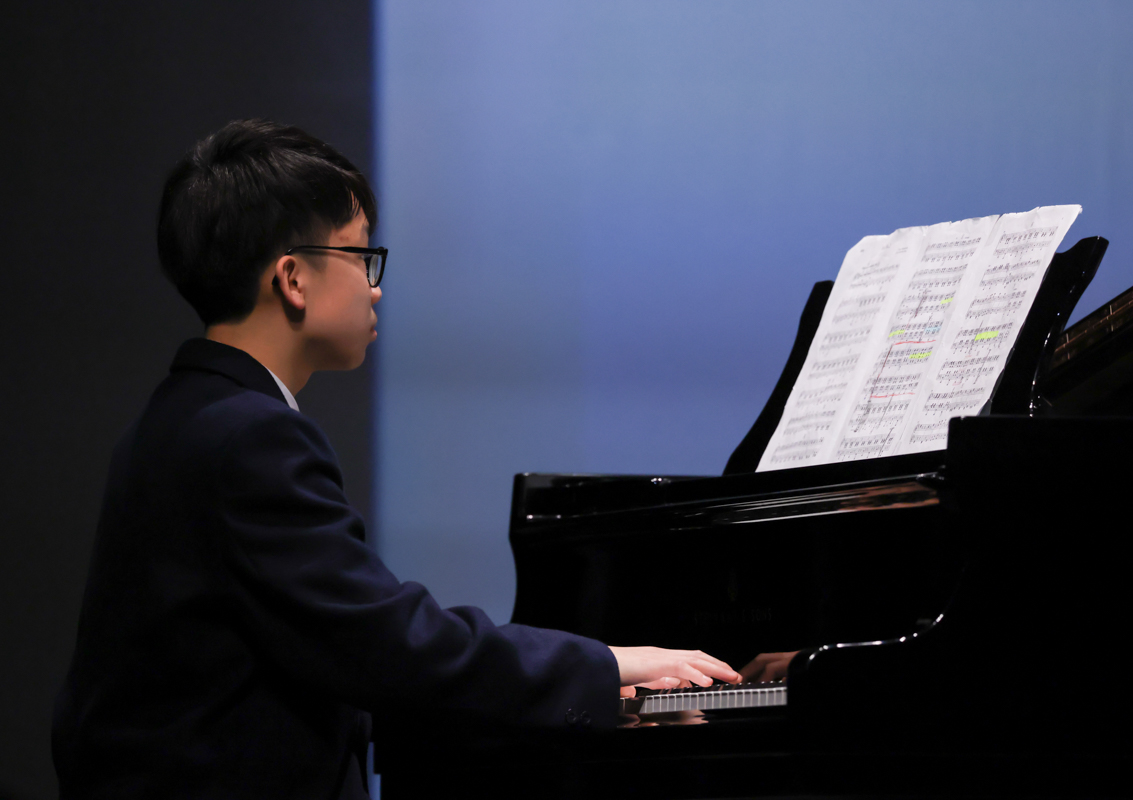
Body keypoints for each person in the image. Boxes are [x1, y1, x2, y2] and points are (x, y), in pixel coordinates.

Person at [52, 119, 740, 799]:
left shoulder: (177, 419)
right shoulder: (250, 438)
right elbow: (386, 638)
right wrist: (603, 665)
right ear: (293, 278)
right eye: (361, 256)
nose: (375, 286)